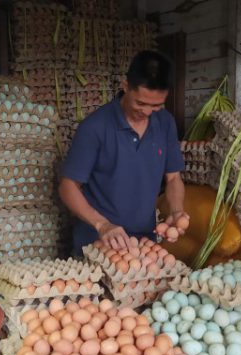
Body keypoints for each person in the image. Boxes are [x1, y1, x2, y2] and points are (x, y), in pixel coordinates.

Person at [59, 50, 188, 255]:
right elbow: (68, 187)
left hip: (144, 241)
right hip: (98, 241)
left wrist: (176, 210)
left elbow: (173, 178)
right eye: (140, 103)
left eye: (156, 105)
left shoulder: (165, 123)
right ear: (126, 86)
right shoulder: (96, 127)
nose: (146, 112)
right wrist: (102, 225)